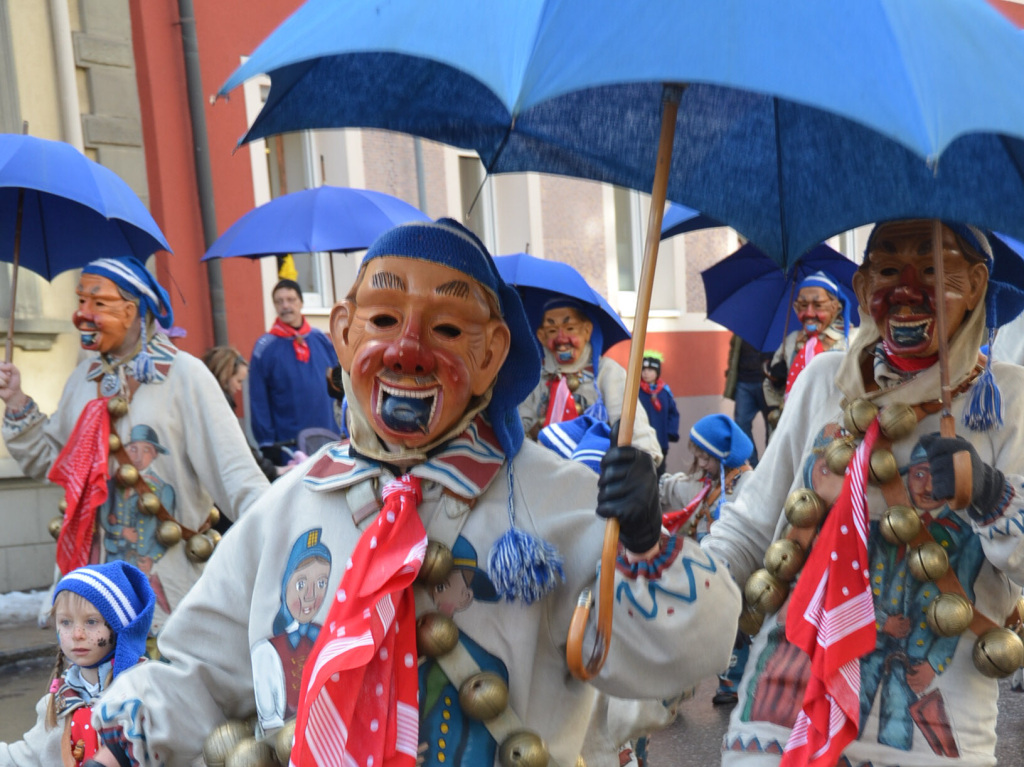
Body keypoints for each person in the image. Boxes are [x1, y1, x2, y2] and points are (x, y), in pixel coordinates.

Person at [87, 217, 741, 767]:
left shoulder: (560, 500)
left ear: (492, 353)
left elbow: (685, 655)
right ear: (343, 332)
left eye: (447, 329)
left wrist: (646, 544)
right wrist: (81, 742)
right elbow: (196, 673)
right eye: (384, 317)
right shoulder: (293, 503)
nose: (407, 350)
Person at [695, 220, 1024, 766]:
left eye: (935, 270)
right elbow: (749, 530)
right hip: (779, 720)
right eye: (889, 270)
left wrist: (988, 494)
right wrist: (662, 568)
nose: (907, 289)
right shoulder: (825, 379)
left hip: (926, 732)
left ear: (977, 285)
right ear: (864, 288)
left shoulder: (1009, 400)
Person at [0, 257, 269, 634]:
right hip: (92, 601)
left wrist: (285, 538)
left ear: (132, 311)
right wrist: (15, 401)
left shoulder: (186, 376)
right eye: (80, 302)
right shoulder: (83, 379)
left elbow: (236, 475)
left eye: (98, 303)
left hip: (168, 603)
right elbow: (52, 462)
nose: (82, 315)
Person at [0, 561, 154, 767]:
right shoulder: (58, 702)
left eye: (91, 622)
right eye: (66, 622)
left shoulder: (146, 689)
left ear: (120, 628)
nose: (77, 634)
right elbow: (24, 757)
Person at [658, 413, 755, 706]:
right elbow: (677, 487)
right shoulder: (705, 485)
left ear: (725, 455)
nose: (701, 464)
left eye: (706, 458)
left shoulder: (747, 484)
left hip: (732, 571)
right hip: (702, 570)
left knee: (734, 628)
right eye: (697, 457)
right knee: (691, 626)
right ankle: (678, 687)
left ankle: (734, 683)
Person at [518, 295, 663, 464]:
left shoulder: (607, 372)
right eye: (552, 331)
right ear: (541, 336)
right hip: (545, 472)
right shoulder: (535, 376)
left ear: (587, 330)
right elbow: (519, 426)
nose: (561, 338)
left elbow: (632, 427)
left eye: (570, 328)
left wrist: (642, 462)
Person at [248, 279, 340, 464]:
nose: (285, 306)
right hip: (290, 445)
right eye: (279, 301)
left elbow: (340, 385)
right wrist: (267, 443)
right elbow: (258, 400)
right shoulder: (264, 348)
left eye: (290, 299)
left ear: (301, 302)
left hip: (329, 438)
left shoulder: (321, 340)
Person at [762, 271, 851, 427]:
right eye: (803, 306)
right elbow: (772, 393)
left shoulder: (851, 341)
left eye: (818, 306)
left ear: (835, 307)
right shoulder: (790, 342)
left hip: (834, 430)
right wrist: (776, 383)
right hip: (793, 428)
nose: (809, 313)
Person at [201, 346, 282, 485]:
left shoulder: (206, 399)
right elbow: (240, 446)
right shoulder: (220, 404)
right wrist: (273, 471)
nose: (239, 388)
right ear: (225, 375)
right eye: (238, 381)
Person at [723, 334, 773, 466]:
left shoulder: (772, 327)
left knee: (772, 423)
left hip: (767, 382)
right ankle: (753, 464)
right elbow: (733, 352)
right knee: (740, 423)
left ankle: (769, 464)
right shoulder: (742, 329)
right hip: (744, 381)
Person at [637, 350, 680, 469]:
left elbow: (673, 413)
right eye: (643, 370)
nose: (646, 373)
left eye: (650, 370)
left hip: (660, 439)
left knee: (659, 469)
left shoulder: (664, 392)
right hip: (642, 440)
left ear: (657, 372)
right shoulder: (637, 391)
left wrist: (671, 432)